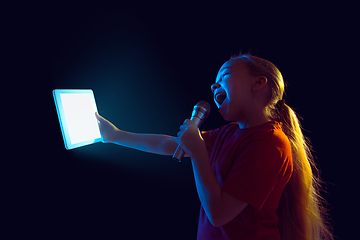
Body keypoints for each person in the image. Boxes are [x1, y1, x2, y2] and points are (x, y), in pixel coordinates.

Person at [95, 54, 333, 240]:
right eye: (214, 82)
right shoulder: (230, 133)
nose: (213, 86)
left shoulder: (270, 143)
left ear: (259, 83)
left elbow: (219, 214)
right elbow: (169, 144)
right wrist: (115, 135)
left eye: (225, 75)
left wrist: (198, 151)